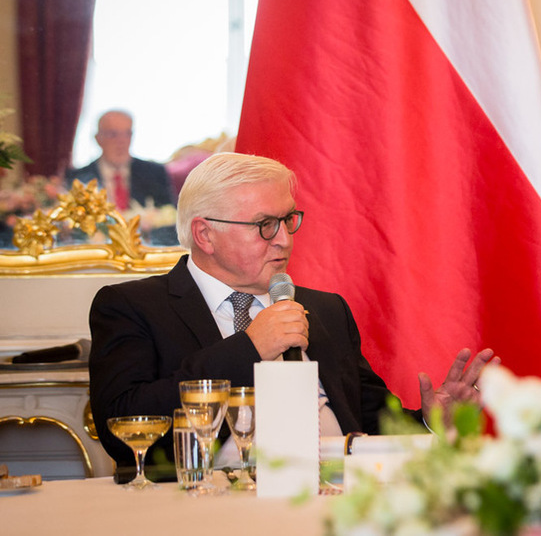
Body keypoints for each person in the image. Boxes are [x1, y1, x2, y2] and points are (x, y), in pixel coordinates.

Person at [88, 152, 495, 466]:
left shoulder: (324, 309)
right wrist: (249, 349)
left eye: (288, 220)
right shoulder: (132, 306)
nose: (283, 239)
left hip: (339, 501)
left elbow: (368, 423)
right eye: (265, 224)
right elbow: (124, 425)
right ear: (205, 234)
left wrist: (429, 421)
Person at [66, 110, 173, 210]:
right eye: (113, 134)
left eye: (127, 134)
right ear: (98, 139)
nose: (121, 141)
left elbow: (172, 217)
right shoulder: (76, 178)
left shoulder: (154, 173)